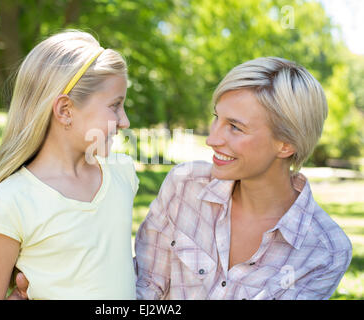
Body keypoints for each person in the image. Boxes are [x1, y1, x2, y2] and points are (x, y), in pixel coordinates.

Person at [134, 57, 352, 300]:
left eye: (235, 127)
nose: (212, 139)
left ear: (286, 144)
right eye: (217, 117)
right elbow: (145, 286)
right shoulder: (185, 185)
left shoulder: (324, 251)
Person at [0, 30, 139, 300]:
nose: (124, 121)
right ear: (65, 110)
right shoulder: (11, 202)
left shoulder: (122, 174)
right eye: (115, 106)